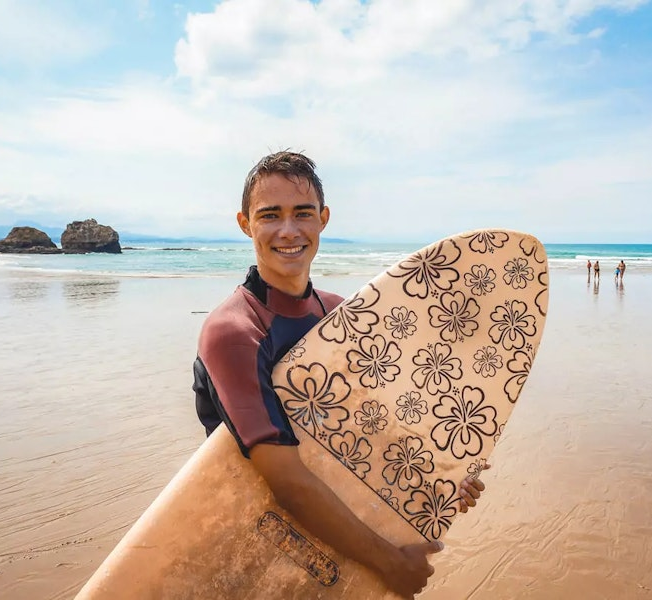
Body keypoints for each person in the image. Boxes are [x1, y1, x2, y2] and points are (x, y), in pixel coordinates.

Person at [192, 151, 486, 598]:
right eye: (270, 215)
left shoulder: (338, 313)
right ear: (245, 223)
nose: (288, 231)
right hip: (269, 554)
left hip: (346, 545)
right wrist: (391, 564)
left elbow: (376, 432)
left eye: (302, 214)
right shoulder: (233, 331)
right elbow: (287, 481)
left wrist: (442, 480)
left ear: (323, 219)